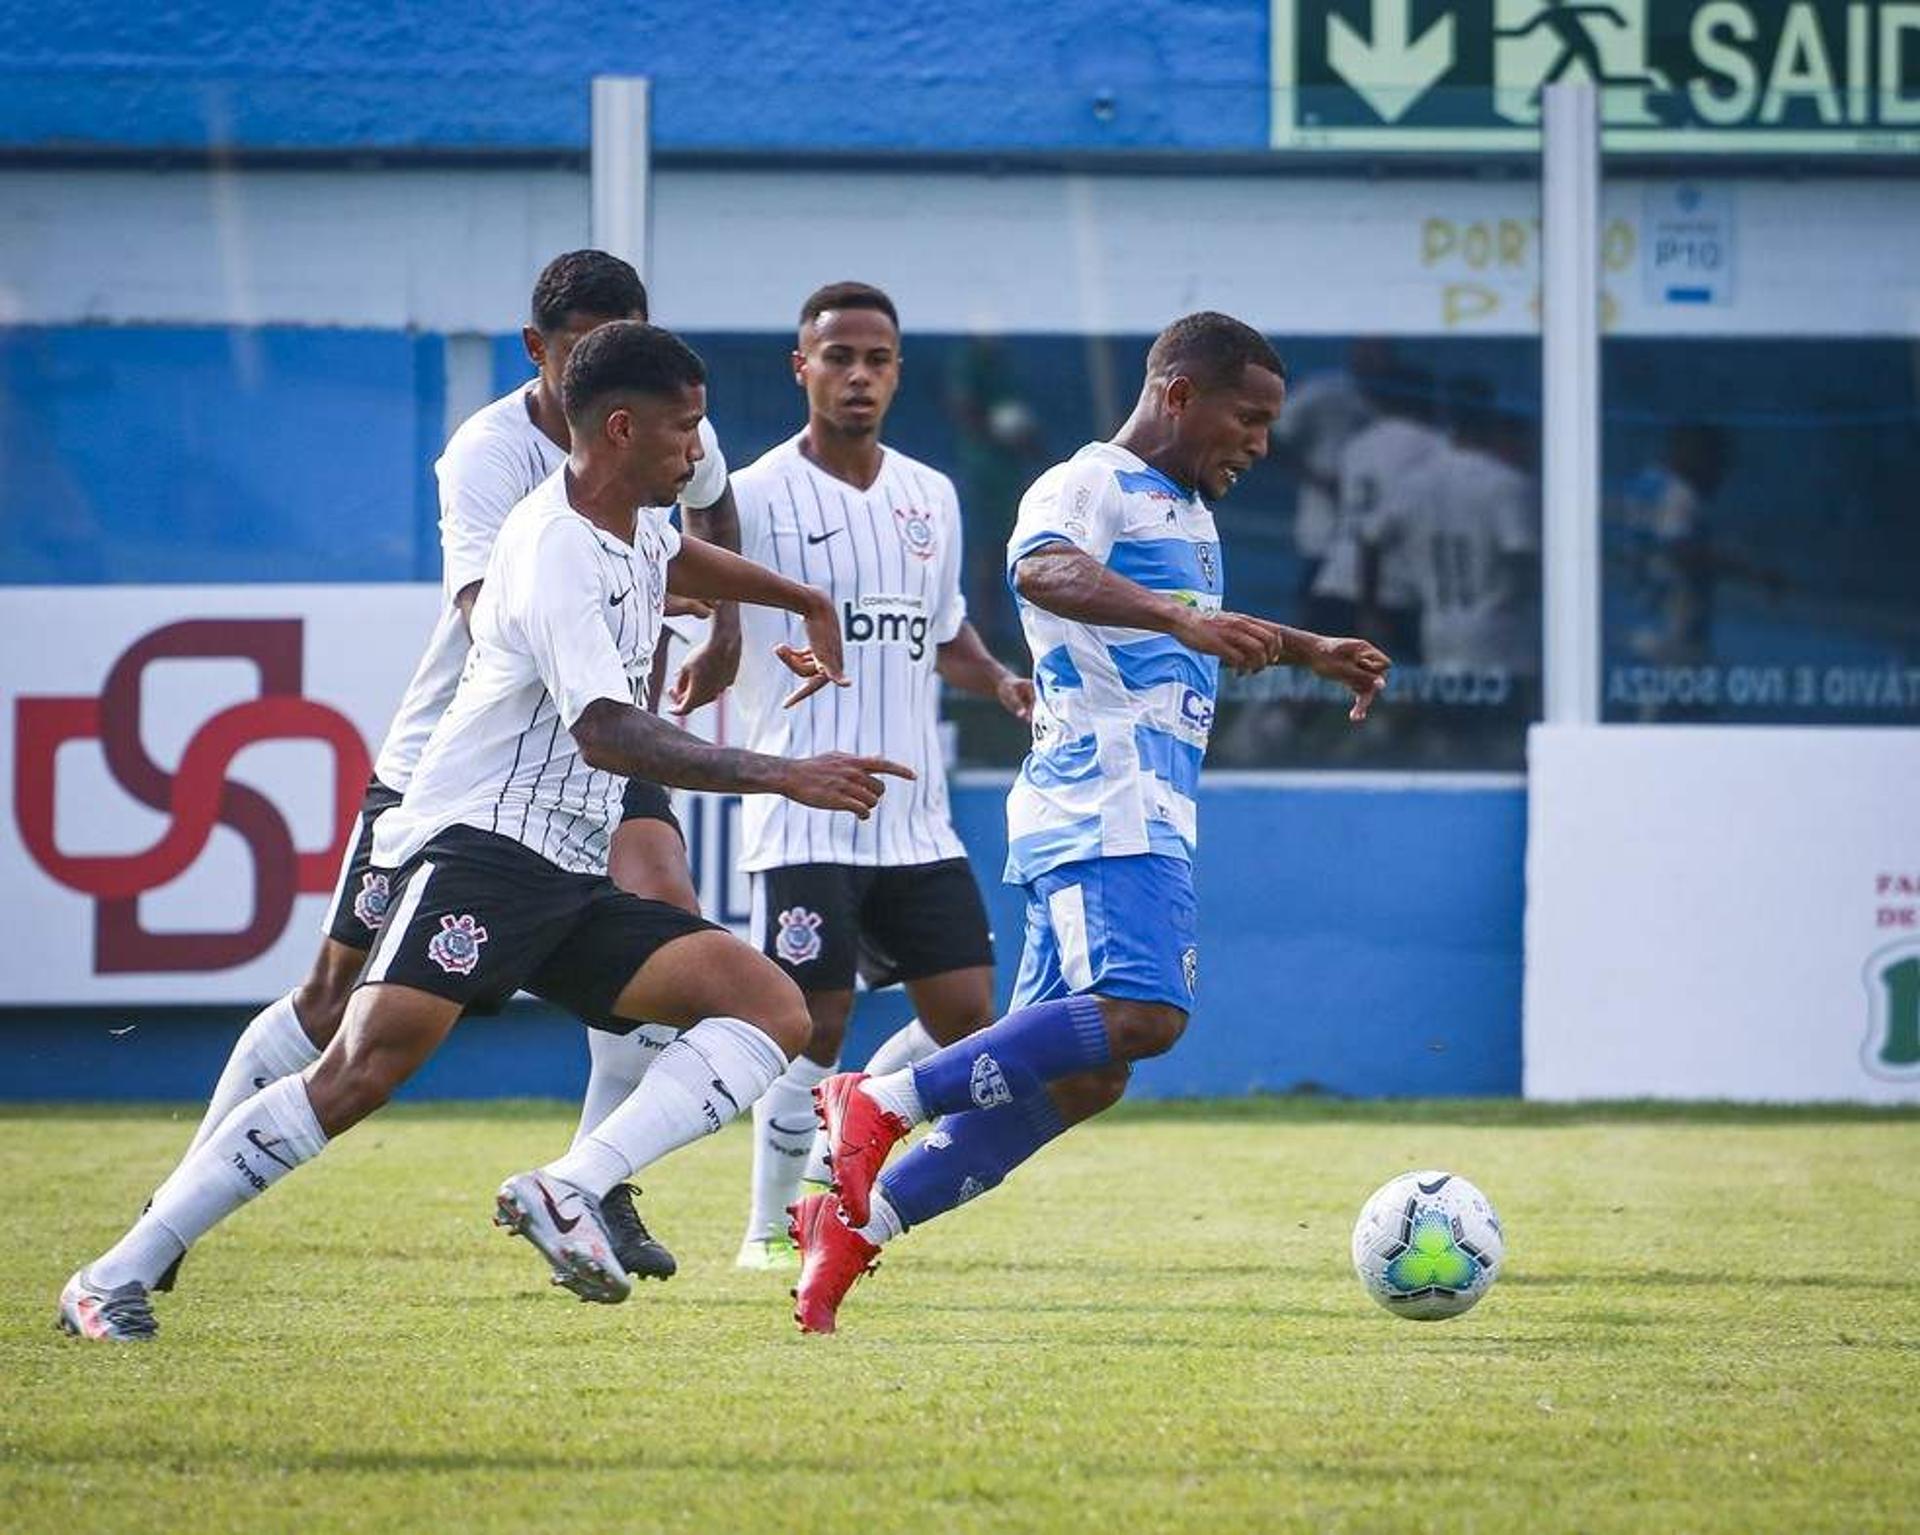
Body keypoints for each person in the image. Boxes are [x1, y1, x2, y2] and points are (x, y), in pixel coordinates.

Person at [58, 322, 912, 1341]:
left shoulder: (633, 515)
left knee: (766, 1004)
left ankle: (573, 1182)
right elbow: (605, 729)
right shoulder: (549, 542)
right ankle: (114, 1272)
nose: (698, 452)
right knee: (354, 1071)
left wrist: (799, 595)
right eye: (685, 430)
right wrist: (784, 773)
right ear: (623, 428)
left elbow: (678, 551)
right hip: (481, 846)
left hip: (567, 863)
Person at [134, 251, 739, 1291]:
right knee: (335, 1004)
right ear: (538, 352)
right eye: (583, 346)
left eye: (619, 341)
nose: (603, 363)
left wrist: (730, 614)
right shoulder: (488, 456)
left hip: (597, 750)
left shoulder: (665, 414)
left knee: (669, 904)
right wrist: (613, 627)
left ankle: (591, 1180)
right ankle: (180, 1201)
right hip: (468, 760)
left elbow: (704, 519)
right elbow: (486, 606)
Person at [786, 312, 1392, 1333]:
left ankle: (856, 1228)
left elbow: (1190, 625)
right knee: (1147, 1017)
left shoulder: (1185, 512)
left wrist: (1305, 645)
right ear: (1179, 394)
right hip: (1104, 795)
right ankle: (881, 1102)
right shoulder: (1090, 480)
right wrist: (1180, 618)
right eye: (1248, 418)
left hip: (1138, 802)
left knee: (1087, 1073)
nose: (1260, 443)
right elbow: (1040, 570)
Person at [725, 282, 1038, 1269]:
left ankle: (857, 1110)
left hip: (916, 818)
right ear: (801, 366)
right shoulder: (753, 494)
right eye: (839, 356)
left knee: (966, 1021)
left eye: (878, 359)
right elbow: (709, 610)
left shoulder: (931, 495)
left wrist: (997, 679)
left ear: (899, 371)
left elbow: (941, 629)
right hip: (805, 813)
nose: (858, 374)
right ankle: (766, 1228)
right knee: (811, 1019)